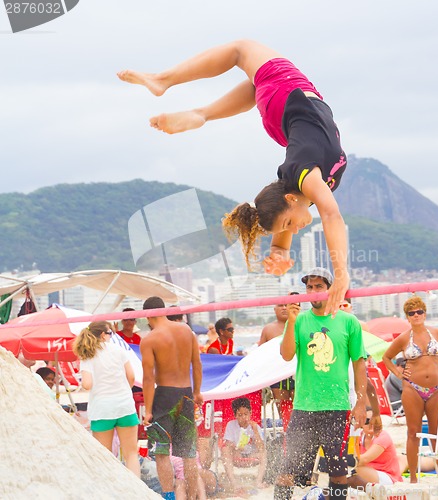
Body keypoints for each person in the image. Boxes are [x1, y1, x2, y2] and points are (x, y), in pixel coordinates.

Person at [117, 39, 349, 316]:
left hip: (287, 94)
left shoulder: (305, 180)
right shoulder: (301, 188)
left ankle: (164, 80)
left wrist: (341, 273)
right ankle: (201, 113)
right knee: (256, 83)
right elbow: (295, 209)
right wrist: (279, 250)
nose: (296, 228)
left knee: (241, 50)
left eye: (288, 223)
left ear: (289, 198)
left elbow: (331, 216)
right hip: (281, 118)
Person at [275, 267, 367, 500]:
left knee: (337, 471)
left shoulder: (348, 321)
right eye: (309, 287)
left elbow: (358, 363)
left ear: (329, 289)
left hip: (336, 406)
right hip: (304, 405)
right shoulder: (299, 320)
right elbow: (286, 355)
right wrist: (292, 320)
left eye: (319, 286)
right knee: (288, 469)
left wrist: (361, 401)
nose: (313, 291)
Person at [382, 297, 438, 485]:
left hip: (437, 389)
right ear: (407, 317)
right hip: (412, 388)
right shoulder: (404, 338)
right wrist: (397, 371)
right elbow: (386, 357)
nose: (416, 315)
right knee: (412, 432)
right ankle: (413, 478)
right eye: (411, 313)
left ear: (425, 313)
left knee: (437, 433)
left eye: (419, 312)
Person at [141, 296, 203, 500]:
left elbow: (149, 378)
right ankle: (193, 496)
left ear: (148, 315)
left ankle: (169, 497)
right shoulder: (186, 330)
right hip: (186, 394)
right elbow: (197, 363)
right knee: (188, 453)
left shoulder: (150, 339)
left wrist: (148, 410)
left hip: (165, 396)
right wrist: (197, 392)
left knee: (161, 452)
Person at [73, 321, 140, 477]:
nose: (112, 337)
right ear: (103, 335)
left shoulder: (88, 355)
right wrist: (123, 390)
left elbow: (88, 384)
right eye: (110, 333)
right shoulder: (119, 350)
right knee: (131, 454)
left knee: (105, 457)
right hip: (125, 406)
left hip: (102, 408)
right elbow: (131, 376)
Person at [347, 411, 402, 492]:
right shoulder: (359, 436)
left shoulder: (382, 436)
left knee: (354, 469)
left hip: (388, 477)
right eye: (367, 421)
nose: (371, 424)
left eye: (375, 420)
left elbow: (364, 459)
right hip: (370, 473)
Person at [221, 397, 267, 492]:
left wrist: (255, 431)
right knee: (225, 450)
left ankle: (258, 481)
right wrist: (236, 447)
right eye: (240, 415)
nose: (243, 418)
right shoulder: (231, 425)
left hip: (251, 456)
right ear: (235, 416)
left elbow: (261, 447)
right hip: (237, 456)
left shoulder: (255, 426)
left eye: (246, 414)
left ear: (250, 413)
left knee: (264, 453)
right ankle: (234, 483)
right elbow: (227, 443)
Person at [258, 303, 294, 420]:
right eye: (280, 305)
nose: (284, 308)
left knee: (298, 409)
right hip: (277, 375)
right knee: (283, 411)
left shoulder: (299, 325)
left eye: (286, 305)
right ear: (275, 309)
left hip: (296, 373)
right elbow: (260, 355)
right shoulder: (268, 329)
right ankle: (286, 434)